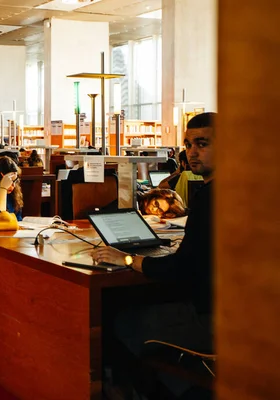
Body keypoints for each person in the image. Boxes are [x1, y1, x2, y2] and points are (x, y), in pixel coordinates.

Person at [92, 112, 216, 398]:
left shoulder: (211, 198)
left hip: (210, 319)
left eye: (202, 143)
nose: (192, 152)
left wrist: (127, 260)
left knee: (116, 317)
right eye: (188, 144)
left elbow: (183, 270)